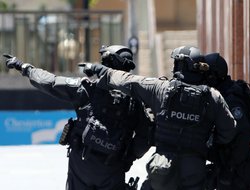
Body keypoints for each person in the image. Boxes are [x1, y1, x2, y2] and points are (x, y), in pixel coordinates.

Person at [79, 45, 237, 190]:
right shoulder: (213, 96)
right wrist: (207, 143)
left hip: (161, 169)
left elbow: (127, 81)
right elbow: (229, 131)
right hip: (194, 168)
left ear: (181, 65)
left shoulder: (160, 88)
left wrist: (98, 69)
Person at [3, 45, 153, 190]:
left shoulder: (88, 89)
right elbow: (145, 136)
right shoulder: (136, 102)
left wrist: (25, 67)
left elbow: (50, 82)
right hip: (113, 167)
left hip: (82, 163)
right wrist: (128, 158)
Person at [202, 53, 250, 190]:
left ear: (214, 75)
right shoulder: (220, 94)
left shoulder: (231, 99)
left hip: (238, 167)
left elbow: (243, 134)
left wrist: (229, 169)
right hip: (228, 163)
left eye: (206, 75)